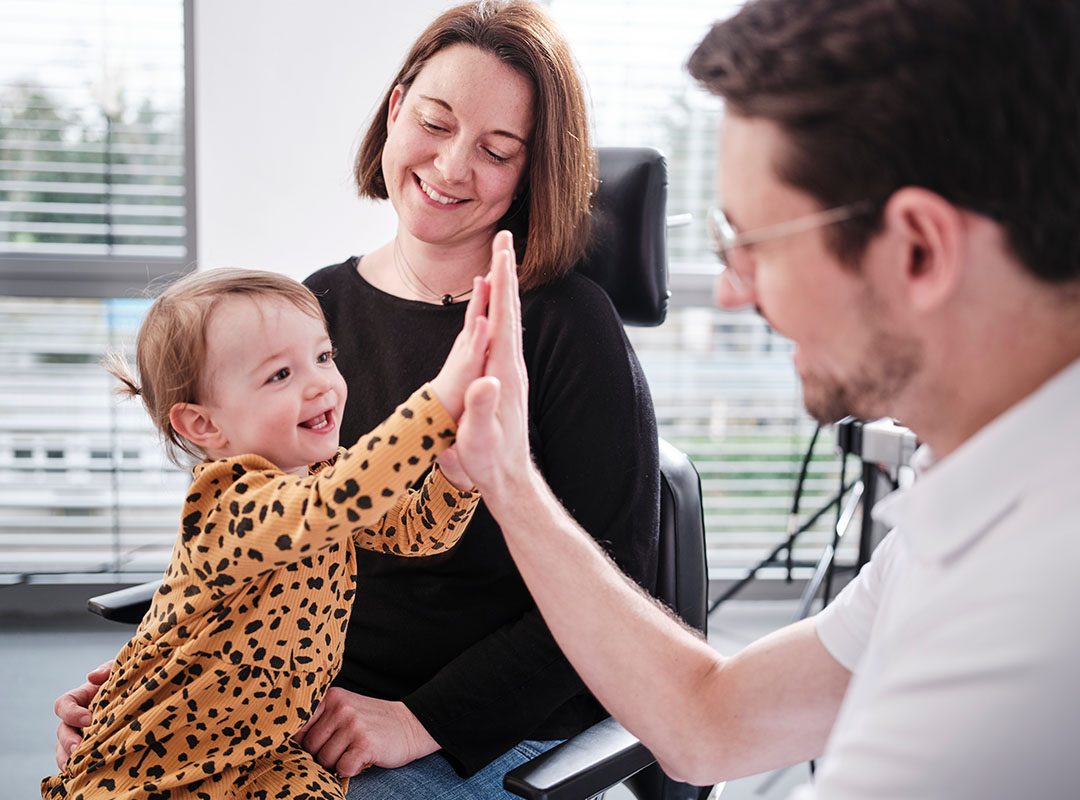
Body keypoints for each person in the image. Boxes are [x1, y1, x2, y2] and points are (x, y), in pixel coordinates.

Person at [451, 1, 1080, 798]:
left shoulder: (1033, 613)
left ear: (918, 251)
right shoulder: (974, 503)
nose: (729, 289)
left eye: (749, 244)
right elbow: (711, 722)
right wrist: (507, 477)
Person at [54, 2, 661, 798]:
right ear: (395, 109)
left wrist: (421, 720)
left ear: (529, 172)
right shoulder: (316, 312)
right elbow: (256, 531)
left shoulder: (565, 327)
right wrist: (154, 690)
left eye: (496, 150)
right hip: (294, 709)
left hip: (483, 728)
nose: (451, 167)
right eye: (435, 123)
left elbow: (614, 596)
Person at [43, 268, 488, 799]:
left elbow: (417, 534)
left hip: (261, 746)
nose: (321, 383)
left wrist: (455, 477)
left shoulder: (322, 473)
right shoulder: (229, 501)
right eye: (280, 375)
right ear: (204, 425)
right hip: (158, 764)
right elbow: (332, 506)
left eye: (323, 356)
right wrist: (437, 404)